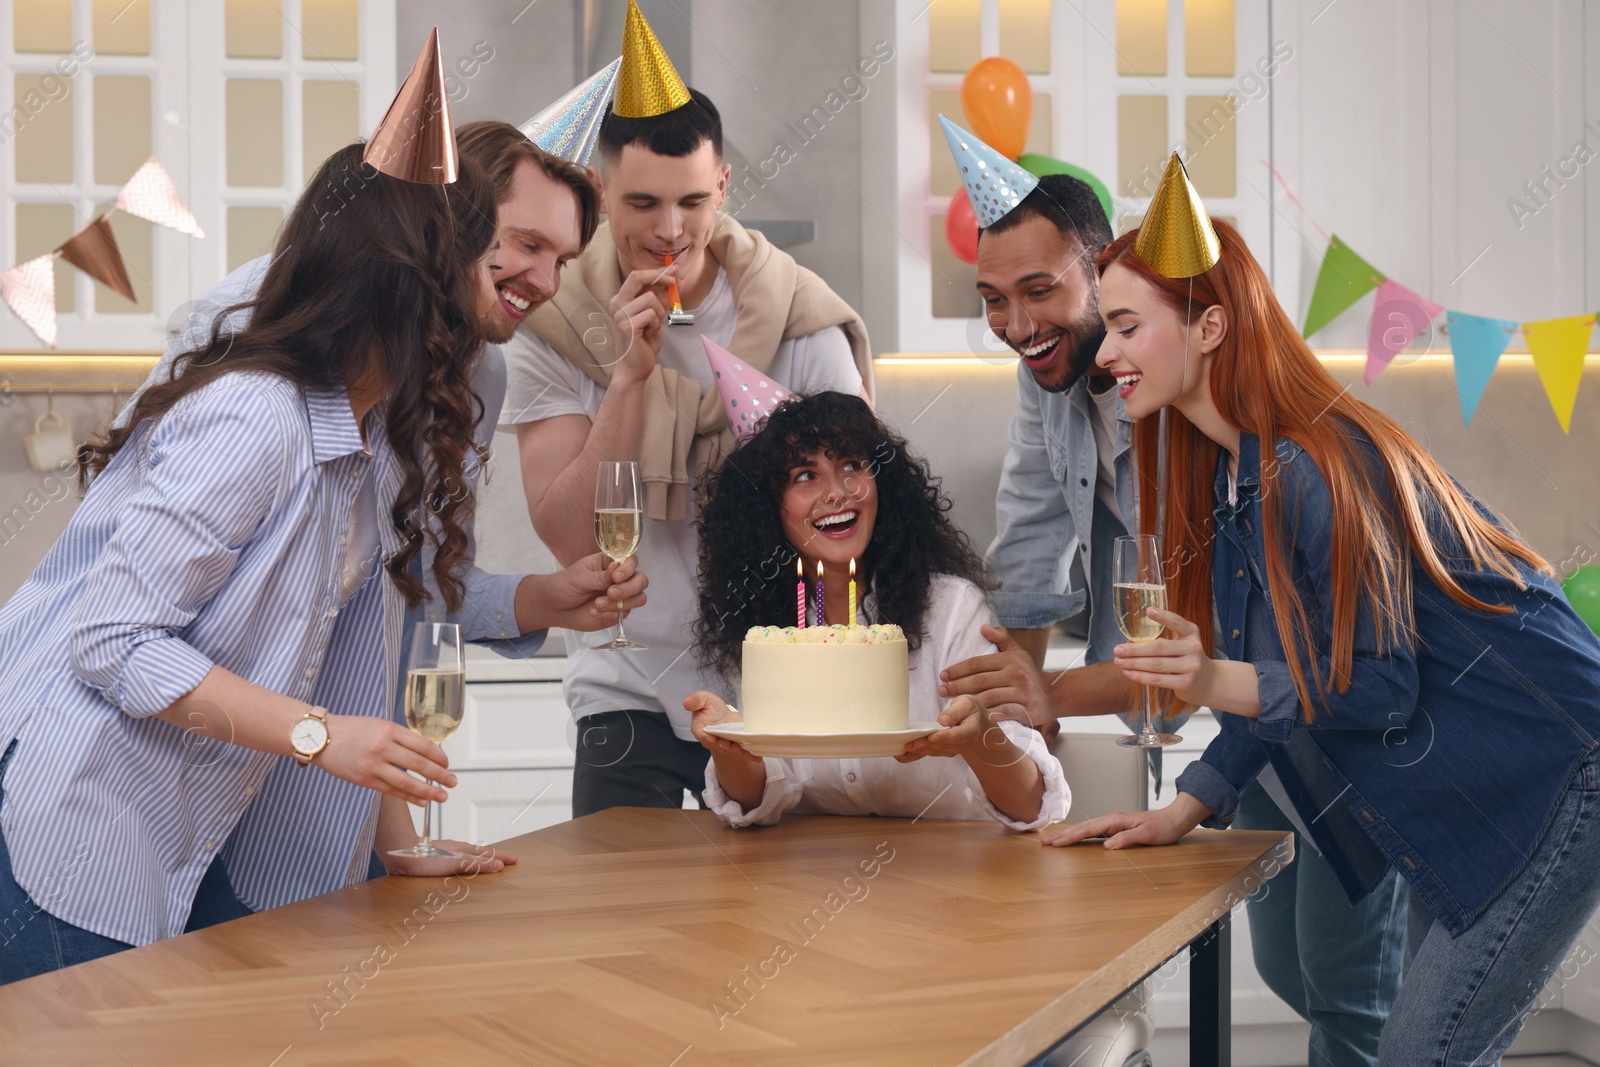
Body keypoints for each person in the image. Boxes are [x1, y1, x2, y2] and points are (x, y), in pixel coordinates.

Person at [1049, 207, 1600, 1065]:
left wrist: (1210, 678)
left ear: (1212, 325)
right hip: (1474, 785)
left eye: (1126, 326)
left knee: (1422, 1053)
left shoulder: (1310, 467)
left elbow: (1378, 684)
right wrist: (1182, 810)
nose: (1106, 352)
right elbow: (1279, 681)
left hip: (1554, 763)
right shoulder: (1240, 476)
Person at [939, 166, 1406, 1065]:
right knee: (1291, 969)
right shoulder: (1061, 396)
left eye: (1044, 292)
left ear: (1102, 271)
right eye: (994, 299)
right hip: (1264, 718)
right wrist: (1020, 729)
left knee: (1350, 992)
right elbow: (1032, 562)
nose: (1018, 323)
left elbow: (1209, 650)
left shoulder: (1217, 428)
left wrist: (1053, 695)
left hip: (1348, 733)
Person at [127, 124, 648, 897]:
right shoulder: (273, 317)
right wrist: (326, 742)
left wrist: (541, 598)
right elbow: (135, 601)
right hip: (167, 777)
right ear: (451, 224)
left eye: (563, 260)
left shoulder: (479, 370)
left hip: (310, 801)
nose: (544, 279)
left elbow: (398, 587)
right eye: (524, 243)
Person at [504, 83, 872, 818]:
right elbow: (574, 537)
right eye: (642, 204)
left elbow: (856, 523)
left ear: (724, 184)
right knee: (621, 919)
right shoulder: (551, 320)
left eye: (694, 202)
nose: (671, 229)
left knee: (764, 921)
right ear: (601, 190)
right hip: (625, 688)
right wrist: (627, 380)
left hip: (777, 690)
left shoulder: (803, 322)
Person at [684, 392, 1068, 830]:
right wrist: (728, 744)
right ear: (769, 506)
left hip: (958, 879)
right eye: (805, 475)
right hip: (806, 880)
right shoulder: (763, 631)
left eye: (851, 465)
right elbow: (758, 800)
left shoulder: (952, 609)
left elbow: (1031, 806)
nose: (837, 492)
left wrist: (979, 739)